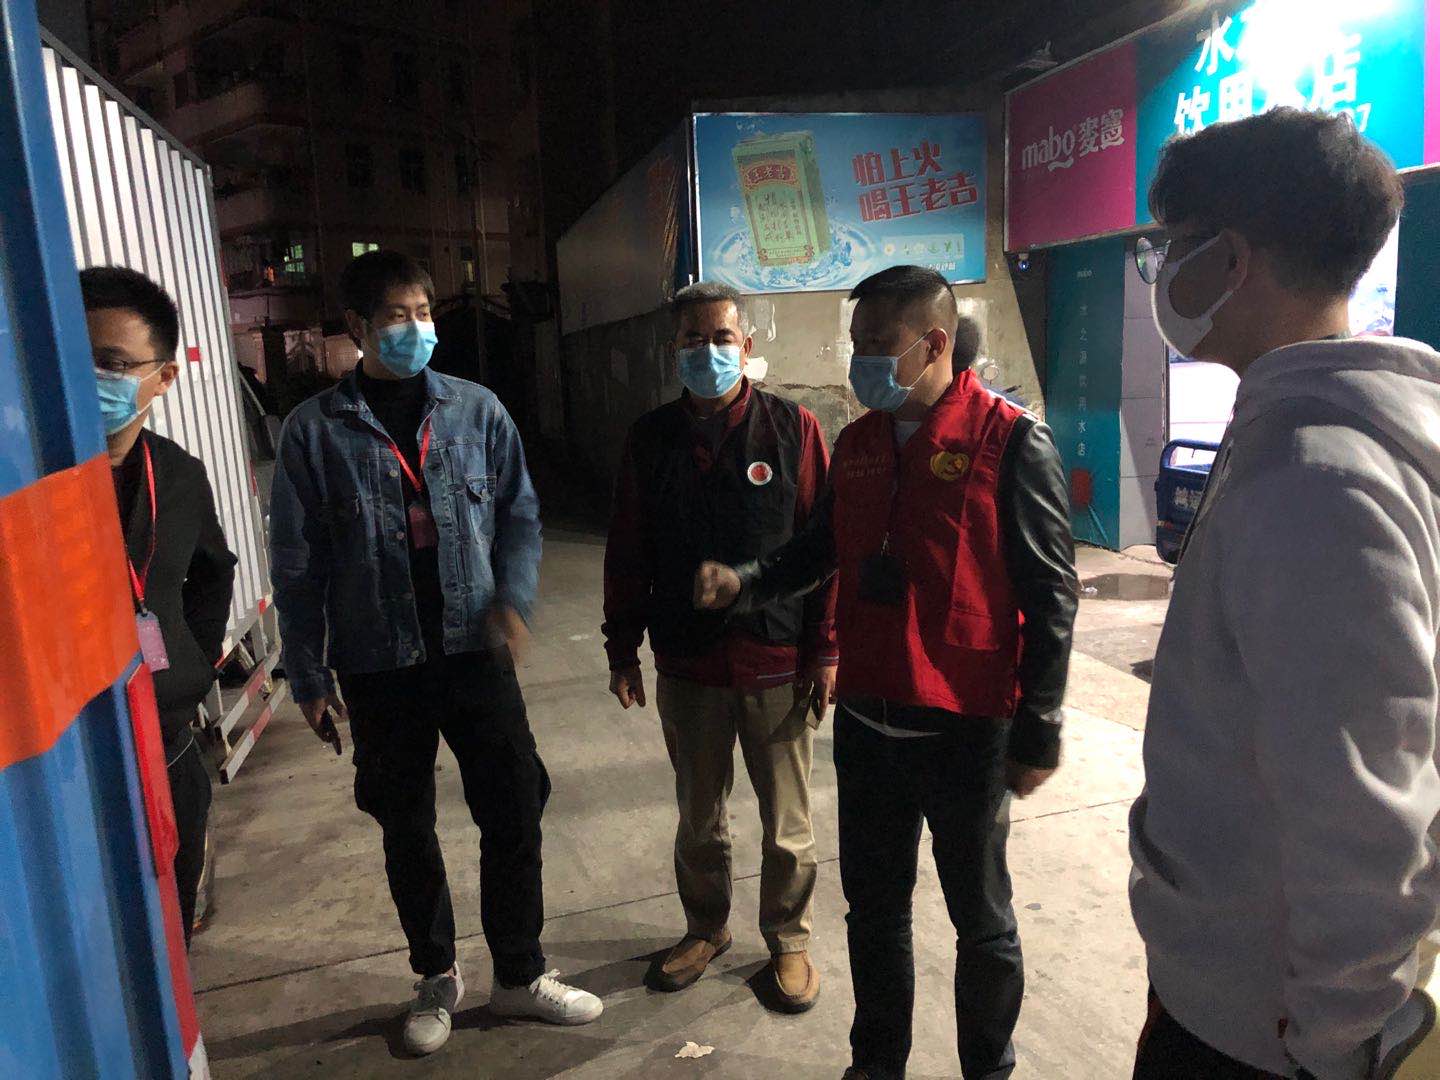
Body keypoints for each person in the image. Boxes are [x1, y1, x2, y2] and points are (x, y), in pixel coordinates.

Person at [695, 265, 1077, 1080]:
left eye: (877, 342)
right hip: (869, 723)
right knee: (873, 914)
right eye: (855, 341)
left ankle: (988, 1068)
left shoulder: (1011, 440)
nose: (859, 359)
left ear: (934, 343)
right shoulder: (860, 444)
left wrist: (1039, 726)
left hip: (967, 728)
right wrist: (747, 582)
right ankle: (875, 1066)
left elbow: (1052, 593)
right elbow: (818, 551)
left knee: (982, 921)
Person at [1128, 107, 1440, 1080]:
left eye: (1172, 245)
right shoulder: (1301, 432)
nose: (1159, 272)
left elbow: (1362, 811)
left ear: (1231, 259)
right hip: (1230, 991)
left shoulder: (1315, 481)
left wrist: (1336, 1047)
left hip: (1257, 1038)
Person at [268, 250, 601, 1057]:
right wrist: (308, 675)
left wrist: (513, 599)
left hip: (473, 651)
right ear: (357, 327)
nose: (416, 328)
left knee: (515, 806)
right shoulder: (315, 430)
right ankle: (435, 975)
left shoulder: (475, 410)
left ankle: (518, 973)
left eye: (423, 312)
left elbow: (520, 514)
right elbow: (298, 563)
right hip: (377, 661)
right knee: (405, 822)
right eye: (397, 315)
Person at [602, 281, 838, 1012]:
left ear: (748, 344)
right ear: (673, 349)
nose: (708, 351)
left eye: (722, 337)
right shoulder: (649, 439)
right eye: (693, 340)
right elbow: (628, 551)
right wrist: (622, 647)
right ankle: (706, 928)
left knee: (787, 824)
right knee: (698, 817)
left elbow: (826, 547)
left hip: (776, 661)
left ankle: (789, 939)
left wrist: (825, 649)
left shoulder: (794, 429)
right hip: (688, 662)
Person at [83, 265, 237, 948]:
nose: (89, 377)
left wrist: (191, 664)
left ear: (163, 377)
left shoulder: (176, 474)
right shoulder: (30, 480)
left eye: (111, 363)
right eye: (73, 357)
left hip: (165, 743)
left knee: (170, 932)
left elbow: (213, 573)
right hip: (71, 759)